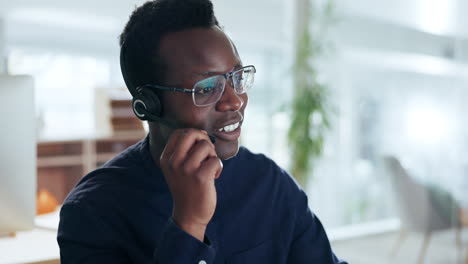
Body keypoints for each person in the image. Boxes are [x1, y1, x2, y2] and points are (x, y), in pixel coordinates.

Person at [57, 0, 347, 263]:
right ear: (149, 105)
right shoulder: (92, 213)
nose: (234, 100)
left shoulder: (270, 184)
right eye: (207, 88)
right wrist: (189, 224)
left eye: (236, 77)